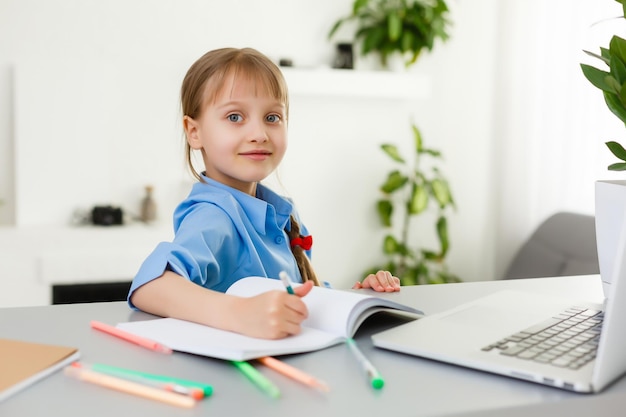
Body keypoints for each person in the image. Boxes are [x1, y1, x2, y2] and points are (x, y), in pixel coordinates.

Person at [128, 47, 400, 340]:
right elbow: (149, 285)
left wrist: (353, 302)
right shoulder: (214, 215)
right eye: (234, 117)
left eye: (272, 117)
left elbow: (296, 302)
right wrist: (238, 313)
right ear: (194, 132)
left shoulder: (281, 213)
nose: (259, 133)